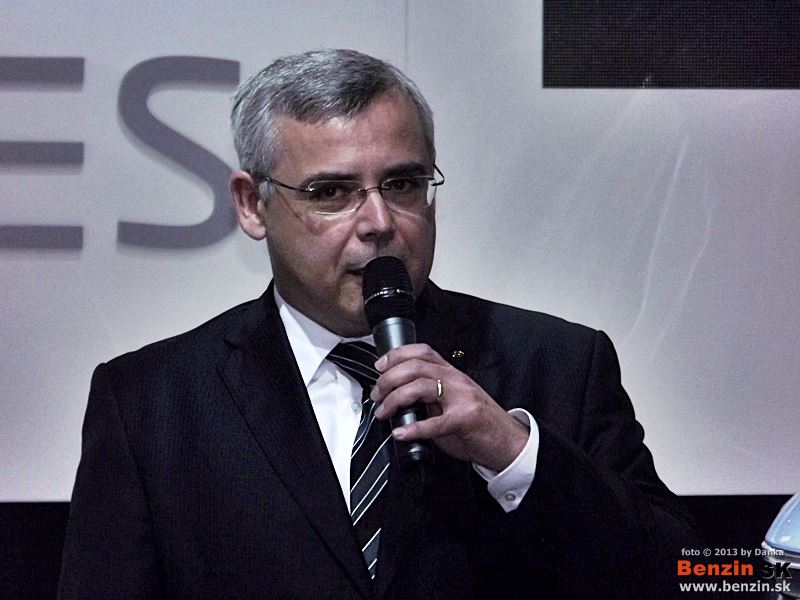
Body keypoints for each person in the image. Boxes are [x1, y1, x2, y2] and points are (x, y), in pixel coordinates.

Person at [59, 49, 695, 599]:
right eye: (331, 193)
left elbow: (682, 576)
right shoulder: (150, 402)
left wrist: (512, 454)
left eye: (403, 184)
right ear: (253, 205)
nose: (380, 223)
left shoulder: (559, 363)